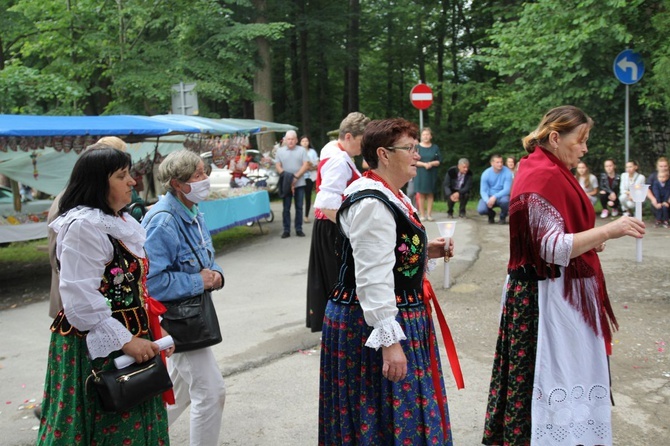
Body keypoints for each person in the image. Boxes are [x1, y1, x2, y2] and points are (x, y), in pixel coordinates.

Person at [482, 105, 645, 446]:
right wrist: (607, 232)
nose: (585, 149)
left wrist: (588, 242)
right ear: (555, 137)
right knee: (543, 380)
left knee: (564, 379)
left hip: (554, 291)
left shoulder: (547, 168)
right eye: (581, 140)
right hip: (543, 299)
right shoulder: (542, 174)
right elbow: (551, 248)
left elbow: (560, 235)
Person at [319, 118, 461, 445]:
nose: (417, 156)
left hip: (394, 316)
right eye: (409, 149)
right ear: (384, 154)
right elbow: (371, 275)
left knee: (394, 414)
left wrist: (425, 251)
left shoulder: (389, 195)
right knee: (385, 415)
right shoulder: (371, 201)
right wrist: (389, 340)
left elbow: (388, 253)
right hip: (370, 323)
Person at [37, 145, 171, 445]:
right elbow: (79, 297)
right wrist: (125, 340)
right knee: (106, 418)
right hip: (97, 343)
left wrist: (153, 332)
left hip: (131, 334)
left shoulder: (120, 223)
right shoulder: (84, 226)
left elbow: (136, 288)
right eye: (122, 176)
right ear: (99, 182)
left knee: (137, 413)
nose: (132, 182)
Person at [142, 150, 226, 446]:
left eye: (205, 172)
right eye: (199, 175)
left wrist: (215, 274)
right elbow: (151, 282)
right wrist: (198, 280)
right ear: (178, 184)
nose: (206, 179)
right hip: (176, 320)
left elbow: (206, 258)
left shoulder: (193, 210)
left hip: (191, 316)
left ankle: (138, 439)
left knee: (179, 393)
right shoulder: (162, 221)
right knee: (211, 392)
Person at [46, 136, 130, 319]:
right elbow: (59, 259)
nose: (131, 180)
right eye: (121, 175)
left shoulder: (103, 208)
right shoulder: (76, 214)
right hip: (84, 313)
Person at [307, 112, 369, 332]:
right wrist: (352, 230)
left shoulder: (336, 150)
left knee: (336, 281)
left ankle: (340, 328)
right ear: (350, 136)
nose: (365, 146)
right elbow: (326, 203)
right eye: (363, 141)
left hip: (330, 227)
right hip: (333, 227)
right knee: (339, 281)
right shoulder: (338, 159)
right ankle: (342, 331)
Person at [275, 130, 310, 238]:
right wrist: (287, 177)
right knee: (286, 207)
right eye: (288, 139)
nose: (290, 141)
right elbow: (278, 165)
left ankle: (298, 228)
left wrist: (296, 177)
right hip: (286, 184)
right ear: (285, 140)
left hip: (299, 183)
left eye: (292, 139)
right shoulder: (280, 151)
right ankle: (286, 230)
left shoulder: (302, 151)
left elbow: (306, 165)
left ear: (296, 140)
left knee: (299, 207)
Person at [413, 127, 441, 221]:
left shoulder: (435, 147)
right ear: (421, 136)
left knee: (430, 193)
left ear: (431, 136)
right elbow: (413, 161)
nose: (425, 136)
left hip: (431, 173)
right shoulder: (417, 147)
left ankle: (429, 214)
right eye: (424, 134)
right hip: (420, 172)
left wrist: (430, 163)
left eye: (427, 134)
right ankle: (422, 214)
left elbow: (438, 161)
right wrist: (424, 164)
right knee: (421, 194)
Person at [477, 154, 513, 224]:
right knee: (481, 210)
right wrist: (487, 200)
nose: (500, 164)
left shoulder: (507, 172)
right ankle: (491, 215)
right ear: (492, 163)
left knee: (506, 201)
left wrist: (495, 196)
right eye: (497, 162)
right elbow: (483, 191)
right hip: (489, 196)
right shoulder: (486, 174)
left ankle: (503, 216)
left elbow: (507, 189)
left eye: (501, 162)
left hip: (502, 196)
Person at [645, 156, 669, 225]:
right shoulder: (652, 176)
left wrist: (668, 201)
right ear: (657, 167)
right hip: (657, 200)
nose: (663, 168)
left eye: (665, 166)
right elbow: (647, 188)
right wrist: (653, 200)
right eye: (661, 166)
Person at [301, 135, 319, 222]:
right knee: (300, 197)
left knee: (308, 196)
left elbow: (317, 163)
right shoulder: (298, 152)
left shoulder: (312, 152)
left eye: (306, 141)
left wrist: (311, 167)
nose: (305, 142)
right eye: (303, 141)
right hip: (300, 176)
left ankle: (306, 215)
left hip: (310, 177)